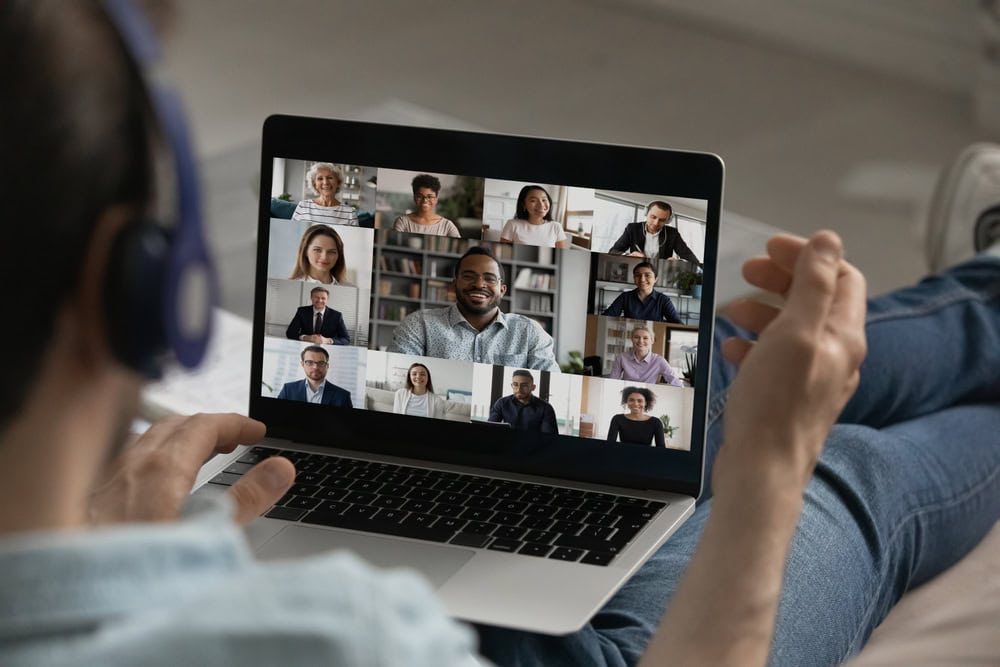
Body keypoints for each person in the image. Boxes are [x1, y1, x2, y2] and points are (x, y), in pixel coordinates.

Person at [3, 5, 998, 665]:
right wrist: (775, 463)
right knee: (830, 465)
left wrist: (100, 555)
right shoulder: (347, 637)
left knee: (725, 390)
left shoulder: (512, 334)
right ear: (133, 287)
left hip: (233, 525)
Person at [389, 246, 559, 371]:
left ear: (502, 290)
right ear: (454, 285)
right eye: (469, 276)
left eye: (490, 278)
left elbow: (552, 386)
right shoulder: (420, 325)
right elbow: (399, 377)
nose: (478, 284)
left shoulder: (529, 332)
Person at [608, 200, 701, 266]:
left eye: (662, 220)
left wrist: (680, 261)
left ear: (668, 220)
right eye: (653, 217)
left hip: (661, 271)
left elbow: (692, 259)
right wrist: (628, 255)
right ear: (646, 213)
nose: (656, 223)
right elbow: (613, 251)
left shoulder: (673, 233)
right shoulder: (632, 228)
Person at [603, 261, 683, 323]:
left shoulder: (663, 300)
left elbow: (677, 324)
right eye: (638, 275)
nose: (642, 279)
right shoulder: (625, 297)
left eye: (647, 275)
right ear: (634, 278)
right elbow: (606, 317)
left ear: (655, 279)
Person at [276, 345, 352, 407]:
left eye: (321, 363)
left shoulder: (343, 396)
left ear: (327, 366)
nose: (315, 367)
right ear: (303, 364)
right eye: (309, 362)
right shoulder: (288, 389)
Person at [487, 369, 558, 433]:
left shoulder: (546, 408)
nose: (519, 389)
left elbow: (549, 437)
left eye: (524, 385)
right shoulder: (502, 403)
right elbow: (490, 429)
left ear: (533, 387)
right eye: (515, 385)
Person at [499, 184, 569, 249]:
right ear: (524, 204)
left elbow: (560, 257)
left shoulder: (556, 226)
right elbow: (504, 254)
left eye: (544, 200)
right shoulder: (512, 224)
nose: (541, 205)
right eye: (533, 201)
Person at [291, 162, 359, 226]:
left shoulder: (350, 212)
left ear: (338, 182)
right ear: (314, 185)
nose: (325, 182)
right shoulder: (302, 206)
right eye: (320, 178)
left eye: (330, 178)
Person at [609, 327, 684, 386]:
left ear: (652, 341)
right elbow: (612, 381)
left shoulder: (659, 361)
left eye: (645, 338)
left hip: (648, 396)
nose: (640, 341)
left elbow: (676, 382)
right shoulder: (621, 358)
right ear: (632, 339)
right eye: (636, 337)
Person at [392, 174, 461, 237]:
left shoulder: (447, 225)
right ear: (414, 197)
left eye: (430, 196)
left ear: (436, 199)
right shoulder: (402, 222)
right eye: (420, 196)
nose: (425, 200)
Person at [284, 286, 350, 345]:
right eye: (316, 297)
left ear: (327, 300)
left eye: (323, 298)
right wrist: (306, 338)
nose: (320, 300)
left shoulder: (336, 315)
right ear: (311, 298)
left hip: (328, 349)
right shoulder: (302, 311)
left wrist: (328, 340)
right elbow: (290, 333)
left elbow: (346, 339)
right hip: (305, 346)